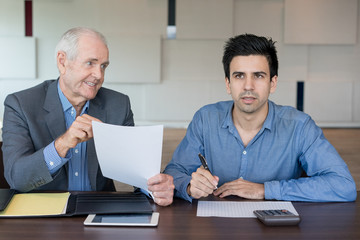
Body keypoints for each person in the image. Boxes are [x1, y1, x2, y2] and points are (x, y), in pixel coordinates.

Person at [164, 33, 357, 202]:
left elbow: (343, 185)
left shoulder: (299, 126)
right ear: (228, 84)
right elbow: (173, 172)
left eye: (258, 76)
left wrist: (265, 189)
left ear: (273, 83)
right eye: (239, 76)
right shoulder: (205, 119)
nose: (248, 86)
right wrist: (190, 186)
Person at [2, 27, 174, 206]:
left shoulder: (118, 105)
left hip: (99, 210)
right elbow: (17, 178)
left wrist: (155, 188)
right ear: (62, 62)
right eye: (90, 63)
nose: (99, 75)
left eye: (103, 66)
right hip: (43, 213)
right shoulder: (20, 104)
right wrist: (63, 144)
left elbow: (137, 171)